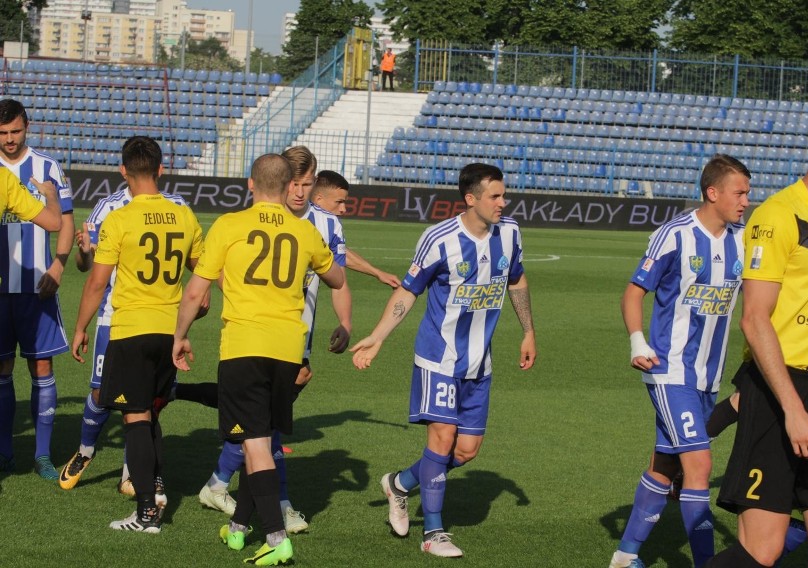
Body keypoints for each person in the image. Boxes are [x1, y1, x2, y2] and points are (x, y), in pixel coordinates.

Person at [350, 162, 537, 558]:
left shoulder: (511, 235)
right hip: (438, 357)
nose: (504, 202)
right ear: (471, 199)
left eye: (504, 195)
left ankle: (399, 484)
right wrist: (378, 338)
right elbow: (407, 292)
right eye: (496, 196)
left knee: (466, 451)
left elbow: (516, 279)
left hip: (478, 363)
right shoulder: (439, 239)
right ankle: (434, 533)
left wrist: (528, 331)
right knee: (442, 438)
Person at [173, 153, 344, 566]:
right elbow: (336, 277)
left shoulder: (230, 225)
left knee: (254, 443)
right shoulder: (304, 231)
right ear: (289, 188)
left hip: (244, 347)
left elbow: (195, 292)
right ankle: (237, 529)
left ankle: (276, 536)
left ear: (251, 184)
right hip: (287, 350)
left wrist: (179, 336)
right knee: (261, 439)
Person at [705, 105, 808, 568]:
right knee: (761, 552)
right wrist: (793, 411)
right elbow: (754, 320)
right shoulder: (777, 216)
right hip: (775, 393)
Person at [608, 154, 751, 568]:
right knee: (699, 466)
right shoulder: (674, 235)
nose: (745, 201)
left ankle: (625, 555)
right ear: (713, 192)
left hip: (709, 375)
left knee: (665, 465)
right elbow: (634, 291)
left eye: (747, 193)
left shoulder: (741, 241)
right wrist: (638, 341)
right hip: (669, 370)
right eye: (739, 193)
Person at [71, 136, 203, 533]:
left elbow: (96, 283)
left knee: (135, 416)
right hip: (171, 329)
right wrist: (198, 304)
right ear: (161, 170)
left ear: (124, 171)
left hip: (129, 328)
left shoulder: (120, 218)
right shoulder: (183, 214)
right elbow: (203, 267)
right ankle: (153, 487)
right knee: (154, 409)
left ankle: (146, 512)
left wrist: (80, 327)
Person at [57, 185, 190, 492]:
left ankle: (132, 472)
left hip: (162, 316)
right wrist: (85, 251)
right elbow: (85, 267)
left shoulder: (177, 205)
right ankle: (85, 451)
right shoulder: (109, 207)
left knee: (149, 399)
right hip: (113, 314)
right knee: (102, 393)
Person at [0, 98, 73, 480]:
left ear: (27, 126)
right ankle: (5, 451)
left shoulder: (47, 167)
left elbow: (65, 220)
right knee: (3, 368)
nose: (10, 140)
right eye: (3, 133)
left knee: (40, 365)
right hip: (0, 290)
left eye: (15, 131)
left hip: (36, 285)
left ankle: (42, 456)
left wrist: (59, 265)